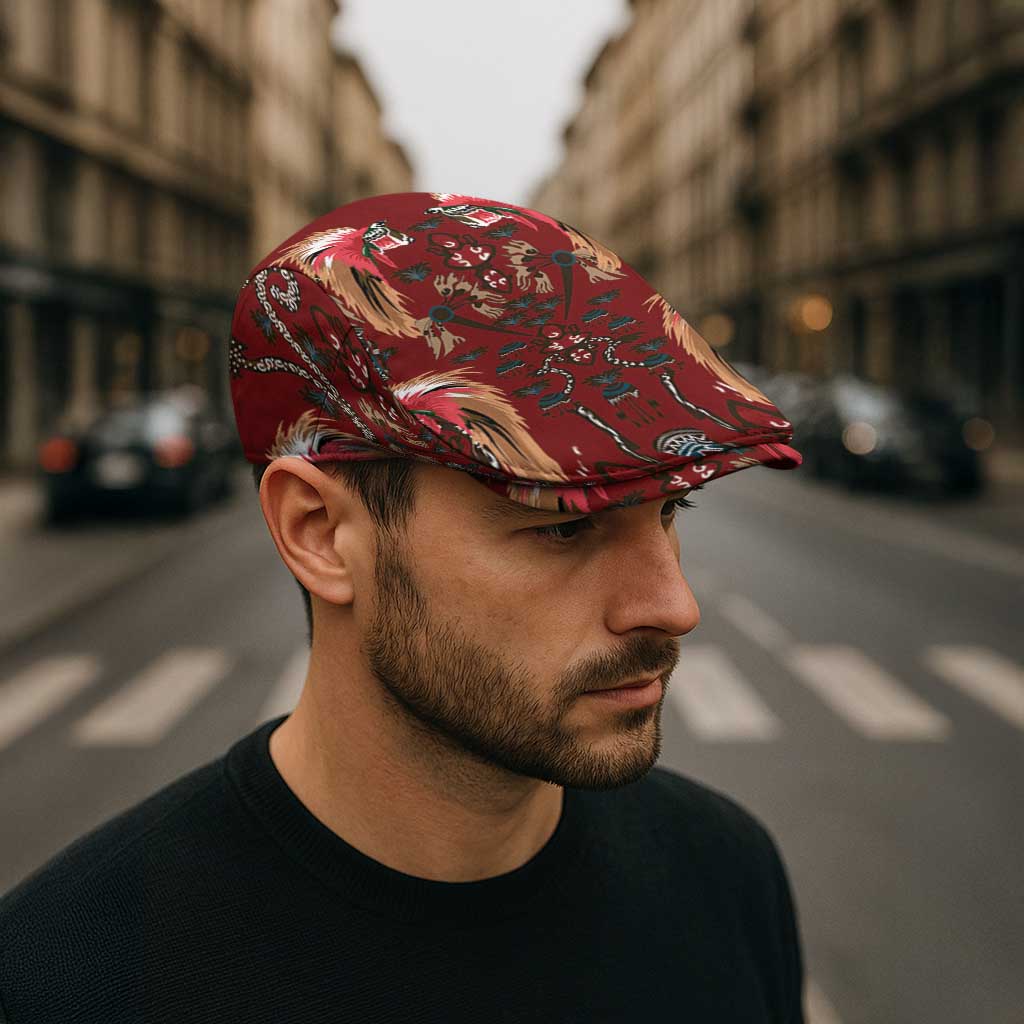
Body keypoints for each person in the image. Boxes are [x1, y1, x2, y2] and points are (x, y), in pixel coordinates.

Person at [0, 192, 807, 1023]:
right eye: (563, 528)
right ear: (319, 533)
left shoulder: (726, 877)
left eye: (671, 511)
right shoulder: (68, 980)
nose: (674, 606)